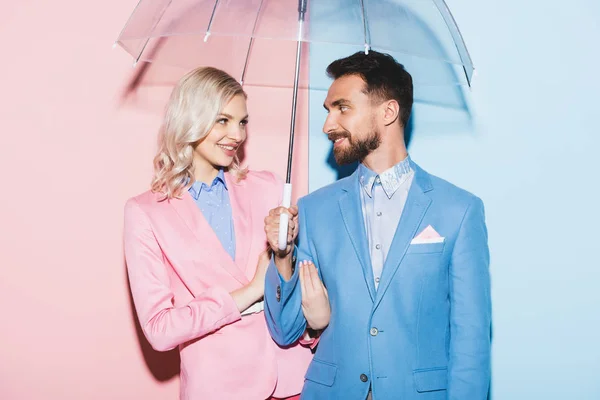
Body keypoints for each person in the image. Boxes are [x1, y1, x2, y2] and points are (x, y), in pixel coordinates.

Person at [263, 51, 491, 399]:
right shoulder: (313, 210)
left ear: (388, 112)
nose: (327, 125)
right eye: (327, 111)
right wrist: (282, 257)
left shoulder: (459, 210)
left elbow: (471, 339)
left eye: (342, 107)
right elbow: (285, 329)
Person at [123, 66, 313, 400]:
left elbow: (300, 286)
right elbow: (160, 329)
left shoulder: (267, 187)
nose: (237, 135)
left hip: (293, 381)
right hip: (219, 388)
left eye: (242, 122)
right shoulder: (146, 212)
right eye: (222, 121)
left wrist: (287, 254)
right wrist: (250, 292)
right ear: (190, 120)